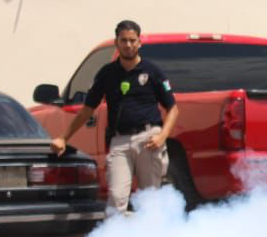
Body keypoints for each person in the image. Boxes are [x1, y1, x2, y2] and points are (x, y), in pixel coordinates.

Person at [51, 20, 179, 215]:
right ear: (116, 42)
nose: (128, 45)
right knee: (116, 198)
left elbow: (173, 109)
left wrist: (162, 136)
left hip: (149, 139)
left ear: (139, 42)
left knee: (150, 199)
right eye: (124, 40)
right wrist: (63, 138)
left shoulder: (152, 72)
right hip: (119, 141)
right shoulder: (107, 73)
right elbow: (87, 109)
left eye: (132, 40)